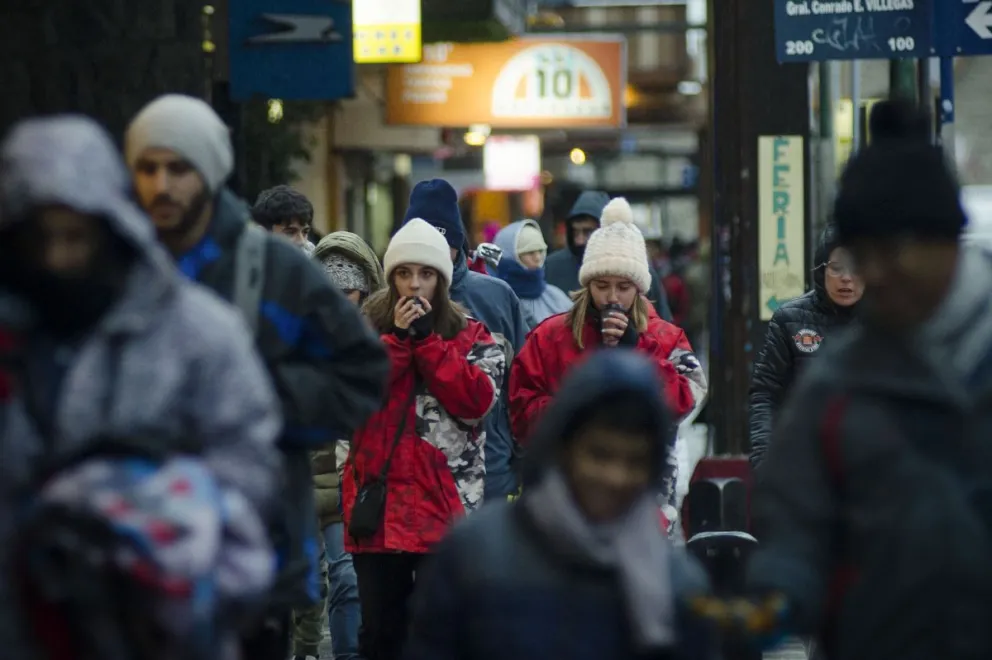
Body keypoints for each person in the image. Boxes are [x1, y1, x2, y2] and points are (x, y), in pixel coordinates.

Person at [0, 116, 282, 659]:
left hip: (153, 623)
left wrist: (153, 498)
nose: (59, 259)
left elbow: (249, 457)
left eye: (75, 238)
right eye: (41, 240)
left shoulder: (196, 332)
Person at [125, 94, 390, 659]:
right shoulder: (115, 265)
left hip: (250, 551)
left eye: (179, 168)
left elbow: (362, 373)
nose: (163, 185)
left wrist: (265, 407)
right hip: (136, 548)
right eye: (149, 169)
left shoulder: (274, 271)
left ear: (211, 172)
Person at [747, 100, 992, 660]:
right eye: (858, 255)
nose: (871, 273)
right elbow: (797, 522)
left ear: (947, 242)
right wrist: (776, 596)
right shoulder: (839, 379)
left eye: (892, 252)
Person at [405, 350, 714, 660]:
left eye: (635, 461)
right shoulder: (474, 555)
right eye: (599, 455)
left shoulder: (676, 584)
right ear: (564, 450)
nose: (615, 477)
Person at [343, 218, 506, 660]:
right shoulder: (364, 332)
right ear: (391, 277)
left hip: (447, 509)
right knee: (380, 634)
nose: (415, 286)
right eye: (404, 273)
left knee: (443, 635)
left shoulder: (474, 336)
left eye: (426, 274)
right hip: (379, 511)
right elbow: (350, 399)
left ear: (443, 278)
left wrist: (429, 345)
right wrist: (396, 342)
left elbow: (477, 402)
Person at [510, 197, 707, 522]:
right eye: (602, 286)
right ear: (587, 285)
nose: (613, 297)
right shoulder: (550, 337)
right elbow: (520, 412)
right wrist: (575, 412)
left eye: (624, 287)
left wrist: (638, 347)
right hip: (566, 495)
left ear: (640, 289)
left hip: (643, 496)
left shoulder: (665, 337)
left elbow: (684, 401)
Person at [399, 179, 526, 501]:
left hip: (491, 469)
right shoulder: (388, 304)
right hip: (407, 479)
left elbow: (521, 383)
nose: (433, 253)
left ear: (457, 242)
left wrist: (520, 458)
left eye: (442, 241)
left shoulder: (495, 297)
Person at [290, 231, 384, 660]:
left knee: (347, 580)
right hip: (305, 477)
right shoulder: (298, 336)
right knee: (306, 585)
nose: (341, 299)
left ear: (365, 290)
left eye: (349, 290)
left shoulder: (380, 339)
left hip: (354, 480)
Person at [748, 223, 863, 469]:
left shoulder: (888, 322)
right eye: (837, 268)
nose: (846, 277)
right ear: (821, 271)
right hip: (803, 463)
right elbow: (765, 394)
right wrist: (764, 461)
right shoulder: (789, 320)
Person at [544, 190, 674, 321]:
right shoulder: (552, 266)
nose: (580, 240)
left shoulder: (638, 271)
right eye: (575, 232)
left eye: (588, 232)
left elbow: (664, 328)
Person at [491, 218, 571, 329]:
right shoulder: (496, 302)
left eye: (541, 250)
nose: (538, 258)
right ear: (510, 256)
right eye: (529, 252)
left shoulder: (557, 299)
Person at [252, 184, 313, 248]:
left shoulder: (312, 254)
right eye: (290, 233)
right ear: (262, 233)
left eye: (305, 232)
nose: (302, 242)